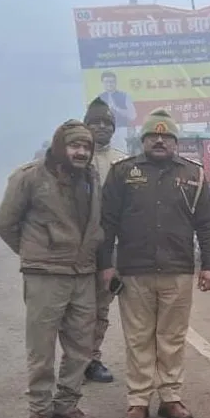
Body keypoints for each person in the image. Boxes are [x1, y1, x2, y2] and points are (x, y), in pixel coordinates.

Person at [99, 108, 210, 418]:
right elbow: (107, 223)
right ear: (143, 140)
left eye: (166, 137)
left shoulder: (194, 175)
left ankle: (170, 398)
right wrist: (105, 266)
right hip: (133, 270)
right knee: (138, 337)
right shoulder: (122, 172)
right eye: (153, 135)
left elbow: (207, 223)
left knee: (172, 337)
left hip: (177, 269)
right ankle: (138, 401)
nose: (159, 141)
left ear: (175, 142)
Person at [0, 120, 104, 418]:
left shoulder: (91, 178)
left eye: (86, 147)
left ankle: (66, 407)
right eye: (75, 146)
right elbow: (5, 223)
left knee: (82, 347)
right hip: (45, 275)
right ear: (60, 146)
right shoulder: (29, 177)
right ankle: (39, 413)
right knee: (41, 349)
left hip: (82, 274)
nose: (81, 152)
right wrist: (34, 255)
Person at [82, 97, 127, 383]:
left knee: (101, 307)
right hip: (75, 250)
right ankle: (72, 361)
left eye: (107, 123)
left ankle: (92, 359)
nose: (101, 127)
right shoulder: (72, 159)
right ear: (85, 125)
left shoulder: (122, 162)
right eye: (95, 122)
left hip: (110, 250)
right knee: (74, 310)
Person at [97, 71, 137, 152]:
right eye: (106, 82)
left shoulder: (125, 96)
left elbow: (132, 116)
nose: (109, 84)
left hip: (122, 130)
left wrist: (116, 108)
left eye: (111, 82)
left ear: (115, 82)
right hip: (105, 132)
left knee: (122, 154)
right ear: (103, 83)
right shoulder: (99, 98)